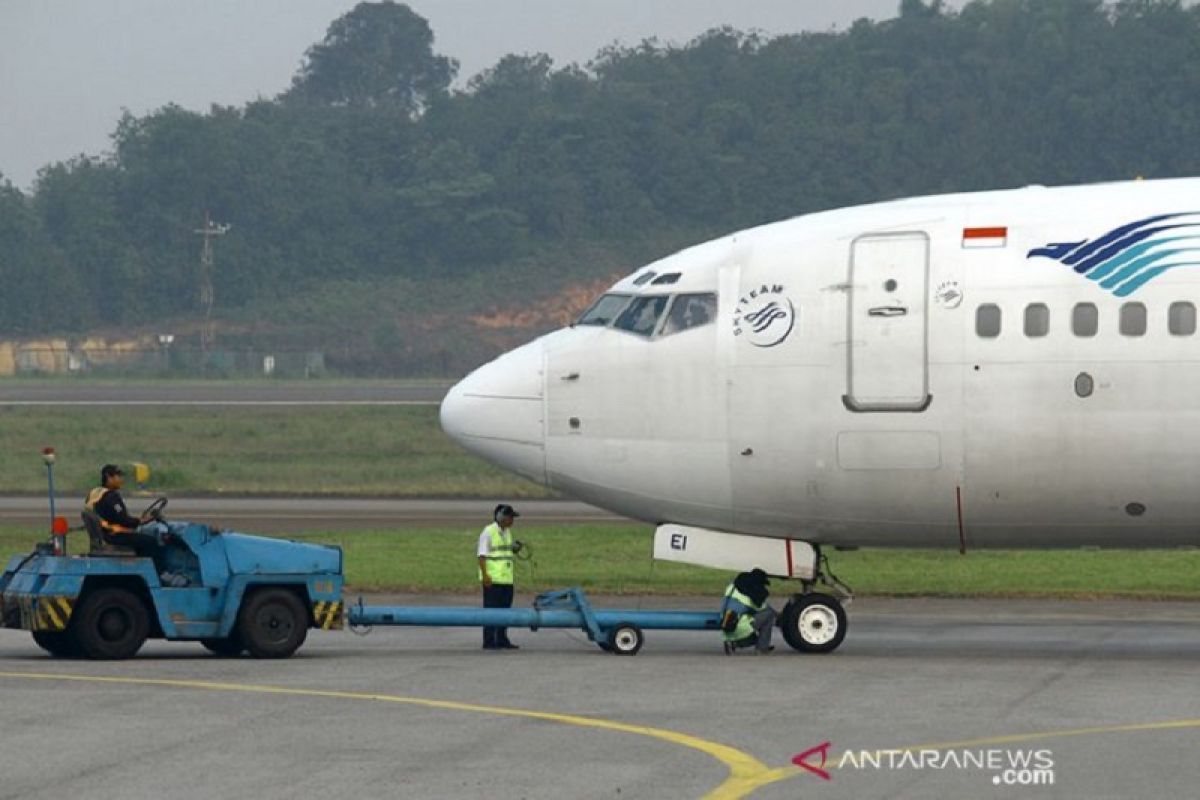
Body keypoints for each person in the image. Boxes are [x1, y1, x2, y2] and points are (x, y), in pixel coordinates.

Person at [84, 464, 163, 563]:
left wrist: (138, 520)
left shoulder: (96, 493)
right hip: (114, 536)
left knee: (140, 539)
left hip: (105, 534)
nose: (121, 480)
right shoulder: (111, 496)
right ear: (109, 477)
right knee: (152, 542)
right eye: (118, 476)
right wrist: (142, 520)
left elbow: (113, 516)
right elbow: (123, 520)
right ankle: (158, 572)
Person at [478, 503, 521, 650]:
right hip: (493, 580)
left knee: (505, 611)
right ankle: (489, 641)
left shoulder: (507, 532)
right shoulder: (488, 532)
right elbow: (481, 556)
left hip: (506, 580)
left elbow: (503, 552)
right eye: (510, 517)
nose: (512, 521)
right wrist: (485, 576)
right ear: (501, 517)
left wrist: (514, 548)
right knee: (491, 611)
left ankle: (502, 639)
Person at [720, 567, 777, 655]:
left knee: (745, 617)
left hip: (725, 629)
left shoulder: (732, 587)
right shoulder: (752, 595)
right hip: (739, 630)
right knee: (770, 614)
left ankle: (730, 642)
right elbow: (765, 609)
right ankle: (762, 648)